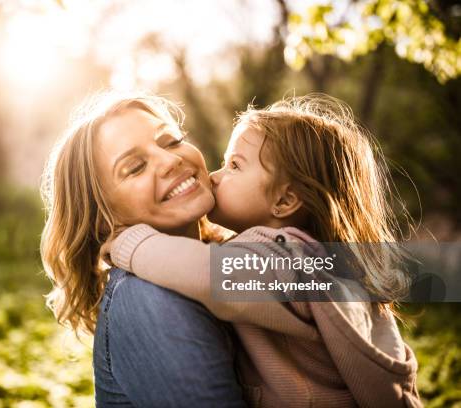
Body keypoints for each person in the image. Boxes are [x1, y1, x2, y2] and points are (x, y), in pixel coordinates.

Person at [108, 95, 423, 407]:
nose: (215, 178)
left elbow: (209, 274)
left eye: (234, 166)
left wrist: (128, 242)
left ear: (284, 201)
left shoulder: (288, 257)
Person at [40, 91, 247, 406]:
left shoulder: (234, 255)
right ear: (100, 218)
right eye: (135, 167)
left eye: (171, 141)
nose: (171, 160)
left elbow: (329, 277)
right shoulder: (146, 296)